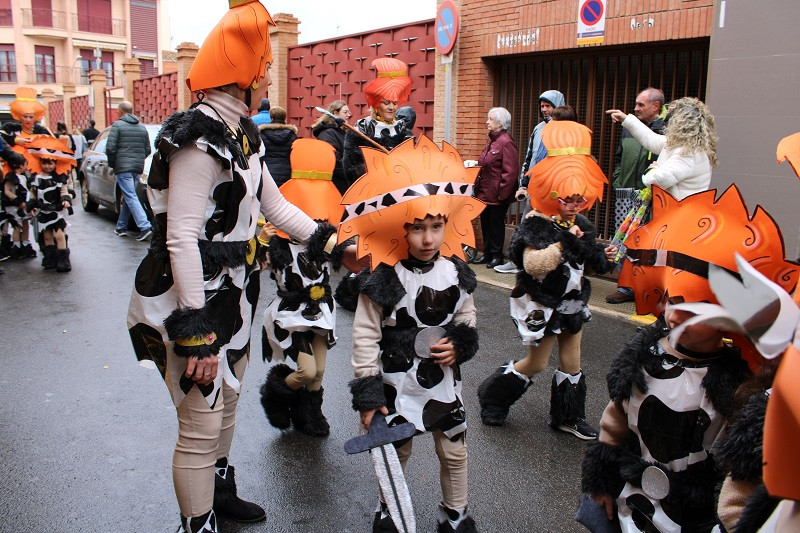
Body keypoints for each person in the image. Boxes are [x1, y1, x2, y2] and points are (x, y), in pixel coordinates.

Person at [125, 2, 348, 531]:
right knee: (200, 427)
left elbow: (274, 208)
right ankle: (196, 524)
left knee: (226, 405)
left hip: (236, 298)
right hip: (192, 301)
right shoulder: (196, 140)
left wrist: (332, 242)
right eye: (264, 61)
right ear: (240, 69)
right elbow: (181, 236)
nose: (269, 69)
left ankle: (220, 495)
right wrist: (196, 334)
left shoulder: (242, 132)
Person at [578, 184, 798, 533]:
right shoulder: (642, 355)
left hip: (692, 515)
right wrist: (600, 481)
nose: (673, 315)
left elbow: (735, 470)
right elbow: (615, 420)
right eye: (669, 299)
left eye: (691, 307)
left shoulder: (739, 381)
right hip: (630, 501)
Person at [343, 136, 484, 533]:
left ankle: (455, 513)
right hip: (395, 381)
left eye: (436, 227)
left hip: (441, 382)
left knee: (454, 450)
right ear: (398, 227)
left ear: (448, 225)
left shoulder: (457, 271)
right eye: (418, 228)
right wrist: (368, 394)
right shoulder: (382, 278)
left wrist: (460, 343)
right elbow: (365, 338)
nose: (428, 239)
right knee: (396, 451)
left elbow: (467, 316)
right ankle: (389, 509)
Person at [477, 120, 615, 440]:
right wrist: (564, 243)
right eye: (568, 197)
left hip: (571, 304)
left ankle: (567, 416)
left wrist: (606, 255)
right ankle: (492, 395)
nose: (575, 203)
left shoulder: (579, 221)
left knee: (571, 362)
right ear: (552, 192)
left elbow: (593, 261)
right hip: (542, 304)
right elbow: (532, 264)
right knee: (537, 363)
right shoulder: (536, 223)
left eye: (579, 197)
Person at [260, 139, 346, 437]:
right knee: (306, 371)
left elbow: (355, 256)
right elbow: (254, 266)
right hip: (291, 314)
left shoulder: (326, 243)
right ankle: (274, 395)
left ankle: (308, 415)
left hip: (321, 310)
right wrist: (260, 240)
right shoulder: (277, 244)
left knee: (318, 373)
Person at [493, 89, 566, 274]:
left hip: (553, 189)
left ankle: (546, 266)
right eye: (542, 106)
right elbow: (529, 157)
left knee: (550, 228)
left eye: (548, 106)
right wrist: (523, 184)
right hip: (534, 185)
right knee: (526, 224)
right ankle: (516, 261)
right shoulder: (538, 128)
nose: (544, 110)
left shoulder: (565, 131)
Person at [605, 88, 666, 304]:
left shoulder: (666, 129)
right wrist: (619, 180)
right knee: (624, 238)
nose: (636, 108)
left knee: (646, 242)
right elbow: (620, 157)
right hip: (626, 191)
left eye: (641, 105)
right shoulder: (629, 128)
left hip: (651, 196)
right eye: (636, 104)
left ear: (655, 106)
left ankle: (644, 289)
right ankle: (624, 287)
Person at [605, 96, 717, 201]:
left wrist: (653, 169)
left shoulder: (687, 152)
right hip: (680, 212)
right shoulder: (687, 146)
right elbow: (650, 139)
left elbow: (657, 180)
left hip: (677, 215)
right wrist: (626, 119)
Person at [341, 57, 414, 188]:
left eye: (395, 103)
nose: (391, 107)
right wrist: (378, 167)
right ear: (375, 105)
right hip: (370, 192)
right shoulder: (359, 130)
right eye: (386, 103)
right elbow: (350, 170)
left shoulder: (403, 131)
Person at [472, 107, 519, 268]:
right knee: (485, 223)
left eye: (491, 119)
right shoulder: (491, 140)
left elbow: (511, 172)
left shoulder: (506, 142)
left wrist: (503, 194)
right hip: (484, 192)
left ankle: (497, 256)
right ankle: (487, 253)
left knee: (496, 225)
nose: (487, 122)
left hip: (497, 194)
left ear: (500, 123)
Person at [26, 136, 77, 272]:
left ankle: (63, 260)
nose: (47, 166)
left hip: (56, 211)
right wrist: (32, 205)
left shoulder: (59, 178)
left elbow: (64, 190)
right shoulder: (36, 178)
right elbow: (33, 194)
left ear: (56, 163)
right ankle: (50, 258)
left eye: (50, 163)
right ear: (40, 162)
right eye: (44, 163)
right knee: (47, 235)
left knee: (59, 235)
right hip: (43, 211)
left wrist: (66, 200)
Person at [106, 100, 153, 241]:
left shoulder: (117, 126)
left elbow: (110, 148)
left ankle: (145, 227)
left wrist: (114, 164)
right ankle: (121, 227)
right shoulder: (141, 127)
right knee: (129, 196)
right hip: (137, 168)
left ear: (120, 111)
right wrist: (138, 160)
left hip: (123, 167)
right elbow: (148, 150)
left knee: (130, 196)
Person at [311, 100, 351, 194]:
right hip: (336, 186)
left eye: (349, 112)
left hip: (346, 183)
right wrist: (353, 171)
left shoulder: (343, 133)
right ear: (335, 113)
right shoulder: (328, 134)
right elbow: (333, 161)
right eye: (345, 112)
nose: (349, 115)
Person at [2, 156, 36, 259]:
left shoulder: (24, 176)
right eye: (26, 164)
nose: (27, 167)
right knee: (17, 226)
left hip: (24, 205)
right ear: (21, 165)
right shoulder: (10, 177)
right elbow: (6, 190)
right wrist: (16, 200)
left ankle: (25, 244)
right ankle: (16, 246)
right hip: (14, 206)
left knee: (25, 225)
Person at [258, 105, 297, 187]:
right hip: (287, 171)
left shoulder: (262, 134)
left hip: (268, 171)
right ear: (284, 118)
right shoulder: (292, 135)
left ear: (271, 118)